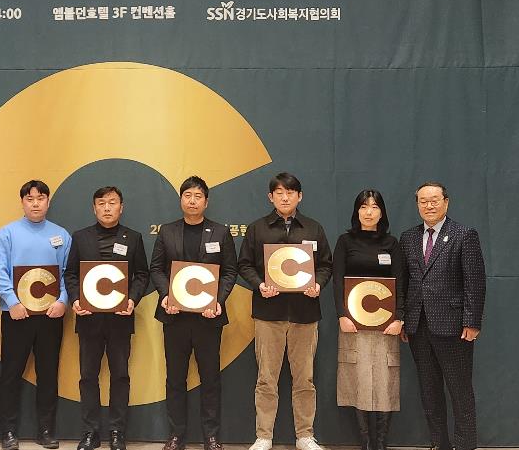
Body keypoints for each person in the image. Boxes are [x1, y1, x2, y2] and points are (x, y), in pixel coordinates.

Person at [237, 172, 332, 450]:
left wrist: (318, 284)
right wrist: (260, 284)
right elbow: (244, 264)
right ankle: (264, 436)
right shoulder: (257, 229)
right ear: (271, 197)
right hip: (269, 313)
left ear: (299, 196)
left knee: (305, 379)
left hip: (305, 314)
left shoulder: (313, 228)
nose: (285, 197)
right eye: (279, 192)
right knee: (266, 378)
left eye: (290, 192)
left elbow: (326, 265)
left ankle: (305, 435)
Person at [149, 176, 238, 450]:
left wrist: (218, 300)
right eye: (187, 195)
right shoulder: (167, 232)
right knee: (175, 378)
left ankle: (211, 436)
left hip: (208, 319)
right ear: (181, 200)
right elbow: (156, 269)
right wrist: (166, 295)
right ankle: (176, 435)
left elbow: (230, 271)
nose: (192, 200)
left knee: (210, 378)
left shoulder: (220, 232)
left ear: (206, 202)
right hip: (174, 316)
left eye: (198, 196)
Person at [399, 182, 486, 450]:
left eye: (434, 200)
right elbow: (404, 282)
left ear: (446, 202)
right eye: (423, 201)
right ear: (417, 205)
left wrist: (472, 321)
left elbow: (475, 281)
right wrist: (403, 319)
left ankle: (465, 445)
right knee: (429, 390)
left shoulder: (463, 234)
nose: (429, 205)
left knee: (460, 390)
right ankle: (440, 443)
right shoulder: (408, 238)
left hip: (454, 326)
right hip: (417, 326)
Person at [64, 186, 150, 450]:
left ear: (121, 207)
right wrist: (75, 299)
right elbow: (70, 274)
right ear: (94, 208)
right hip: (88, 319)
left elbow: (142, 275)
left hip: (120, 319)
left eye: (112, 202)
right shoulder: (80, 237)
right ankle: (90, 433)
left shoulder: (133, 238)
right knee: (88, 377)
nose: (107, 207)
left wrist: (132, 299)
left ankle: (117, 432)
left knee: (120, 376)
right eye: (101, 203)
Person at [0, 180, 72, 450]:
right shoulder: (7, 234)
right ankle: (8, 432)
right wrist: (12, 301)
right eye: (30, 198)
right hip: (17, 315)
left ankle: (46, 430)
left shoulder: (61, 235)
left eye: (40, 198)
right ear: (22, 202)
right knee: (10, 374)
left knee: (48, 374)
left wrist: (63, 300)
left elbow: (68, 273)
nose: (35, 203)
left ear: (48, 201)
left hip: (51, 315)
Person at [332, 190, 405, 450]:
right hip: (353, 324)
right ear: (357, 211)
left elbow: (401, 282)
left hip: (386, 325)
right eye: (363, 207)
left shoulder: (392, 243)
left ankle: (381, 442)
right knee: (357, 378)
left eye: (374, 207)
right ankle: (365, 441)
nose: (369, 212)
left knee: (386, 381)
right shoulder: (345, 241)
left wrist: (399, 318)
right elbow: (337, 281)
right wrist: (341, 314)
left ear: (382, 212)